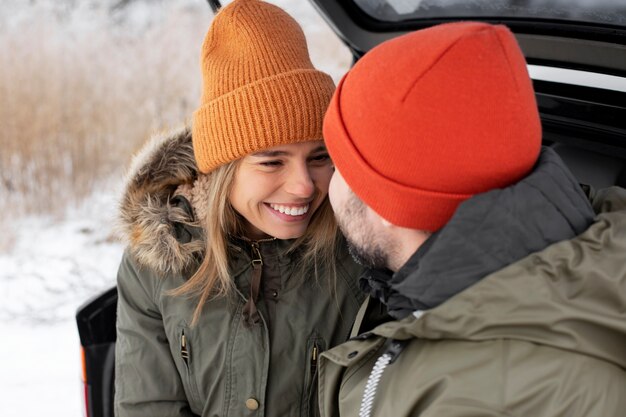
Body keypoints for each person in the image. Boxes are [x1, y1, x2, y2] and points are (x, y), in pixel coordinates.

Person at [319, 21, 626, 417]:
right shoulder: (602, 250)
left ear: (387, 204)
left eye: (339, 165)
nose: (322, 184)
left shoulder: (474, 400)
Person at [113, 1, 364, 416]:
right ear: (223, 168)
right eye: (272, 161)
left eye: (319, 157)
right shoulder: (157, 265)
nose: (304, 186)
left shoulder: (359, 250)